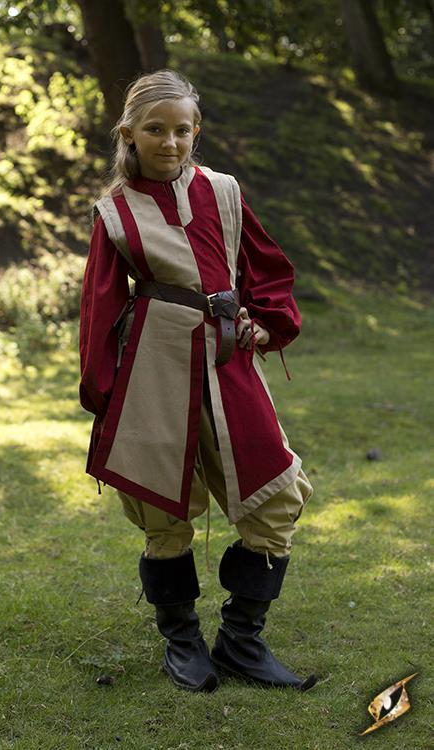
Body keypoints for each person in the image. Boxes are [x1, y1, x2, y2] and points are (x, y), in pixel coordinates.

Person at [79, 69, 316, 694]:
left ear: (196, 131)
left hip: (228, 358)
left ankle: (241, 639)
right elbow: (100, 305)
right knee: (164, 509)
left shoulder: (223, 191)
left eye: (182, 130)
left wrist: (266, 323)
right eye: (155, 130)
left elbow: (263, 268)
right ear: (129, 134)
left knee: (278, 494)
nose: (171, 142)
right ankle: (182, 642)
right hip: (152, 367)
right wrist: (104, 395)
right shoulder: (115, 212)